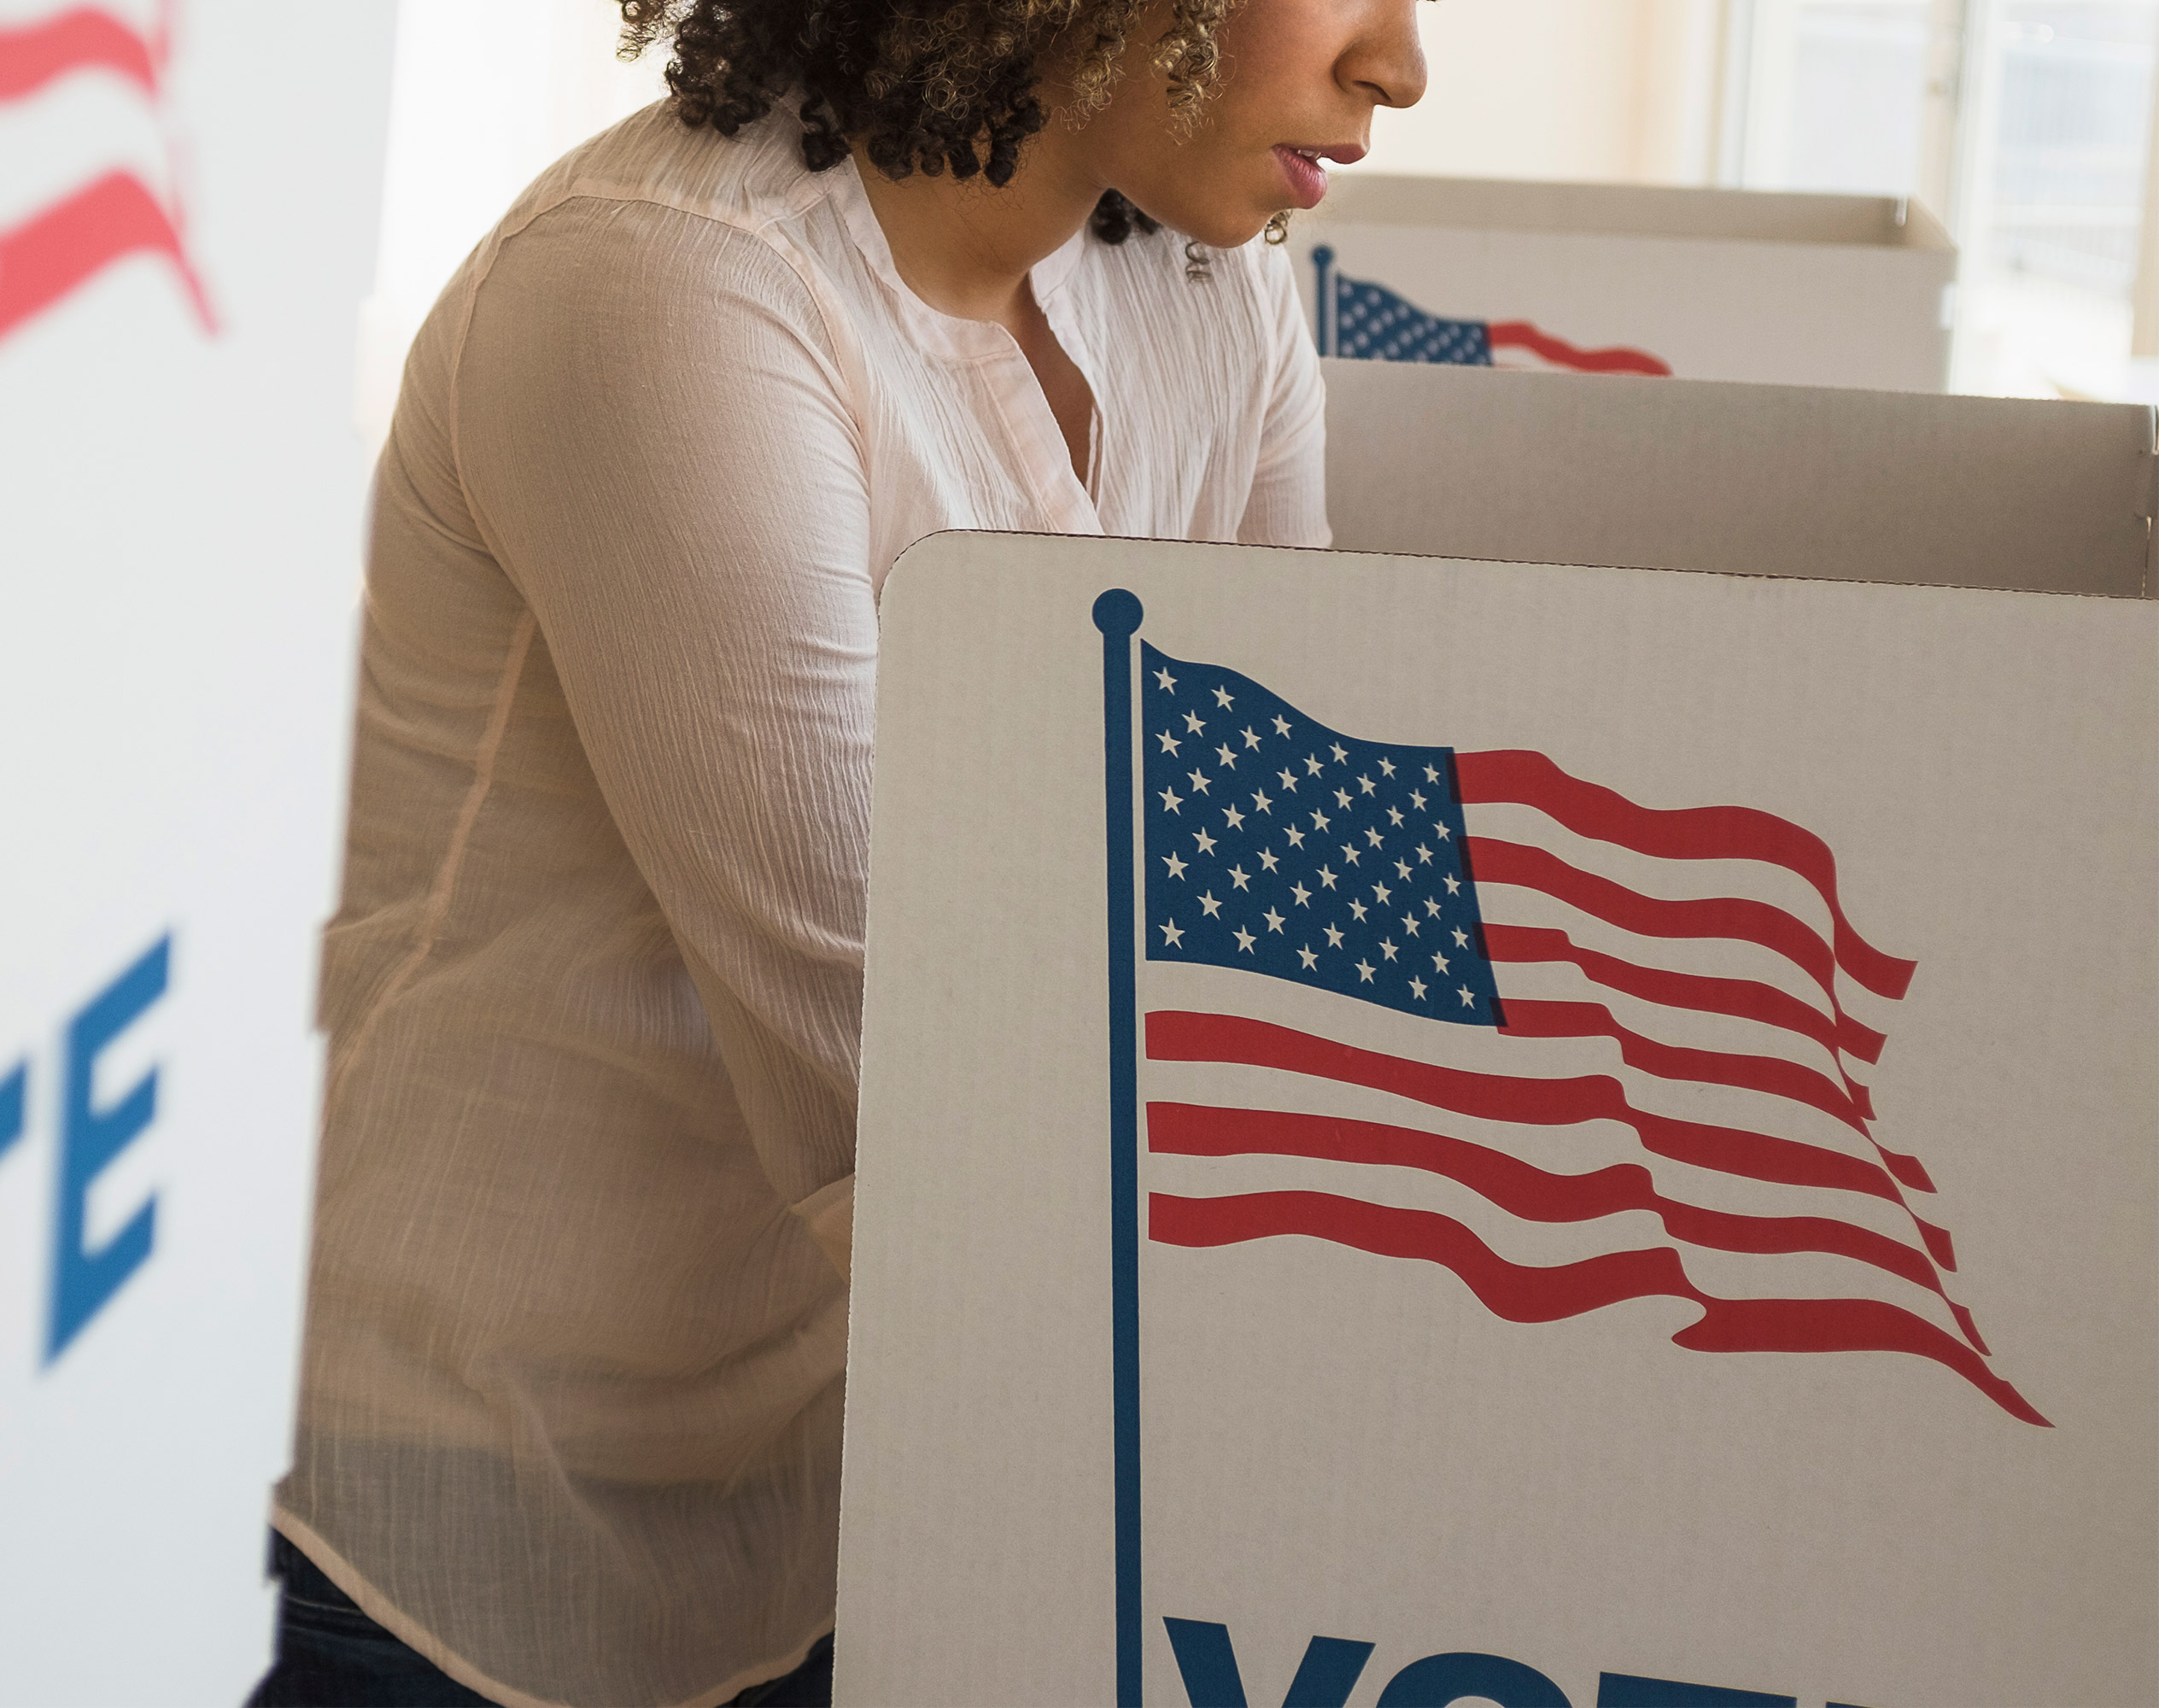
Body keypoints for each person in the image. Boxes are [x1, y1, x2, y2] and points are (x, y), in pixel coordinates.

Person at [253, 3, 1426, 1704]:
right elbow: (904, 1087)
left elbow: (1286, 931)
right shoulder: (670, 286)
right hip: (460, 1526)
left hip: (851, 1497)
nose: (1400, 67)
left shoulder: (1204, 280)